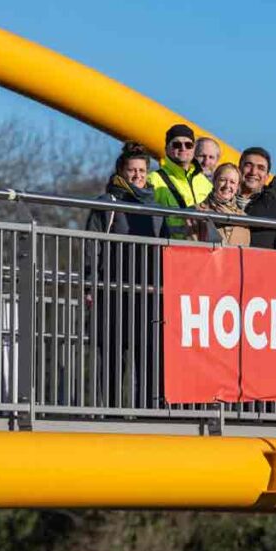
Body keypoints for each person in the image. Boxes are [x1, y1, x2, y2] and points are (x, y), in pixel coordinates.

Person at [85, 141, 164, 408]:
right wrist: (89, 284)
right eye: (132, 170)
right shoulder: (108, 202)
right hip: (113, 290)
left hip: (148, 294)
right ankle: (110, 411)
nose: (137, 176)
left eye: (142, 171)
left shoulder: (156, 205)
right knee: (112, 355)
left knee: (147, 356)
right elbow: (91, 244)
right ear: (121, 171)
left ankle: (147, 411)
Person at [147, 123, 213, 237]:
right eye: (177, 144)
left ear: (194, 149)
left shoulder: (206, 183)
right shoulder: (153, 179)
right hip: (169, 250)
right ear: (166, 148)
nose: (183, 148)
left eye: (188, 145)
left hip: (203, 251)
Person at [195, 162, 251, 246]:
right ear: (214, 181)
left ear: (237, 187)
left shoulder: (244, 218)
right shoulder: (196, 211)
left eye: (232, 182)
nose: (227, 185)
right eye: (222, 180)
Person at [236, 146, 271, 210]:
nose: (253, 172)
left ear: (267, 177)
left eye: (261, 168)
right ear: (238, 169)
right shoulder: (218, 196)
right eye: (248, 166)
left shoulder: (273, 206)